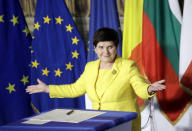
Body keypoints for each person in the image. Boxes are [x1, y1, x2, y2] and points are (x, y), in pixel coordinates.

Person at [26, 28, 166, 131]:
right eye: (101, 47)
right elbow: (75, 88)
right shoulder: (90, 67)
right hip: (100, 124)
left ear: (116, 47)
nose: (105, 52)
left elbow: (139, 87)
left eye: (110, 47)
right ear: (94, 48)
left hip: (125, 125)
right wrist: (47, 88)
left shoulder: (127, 66)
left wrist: (149, 88)